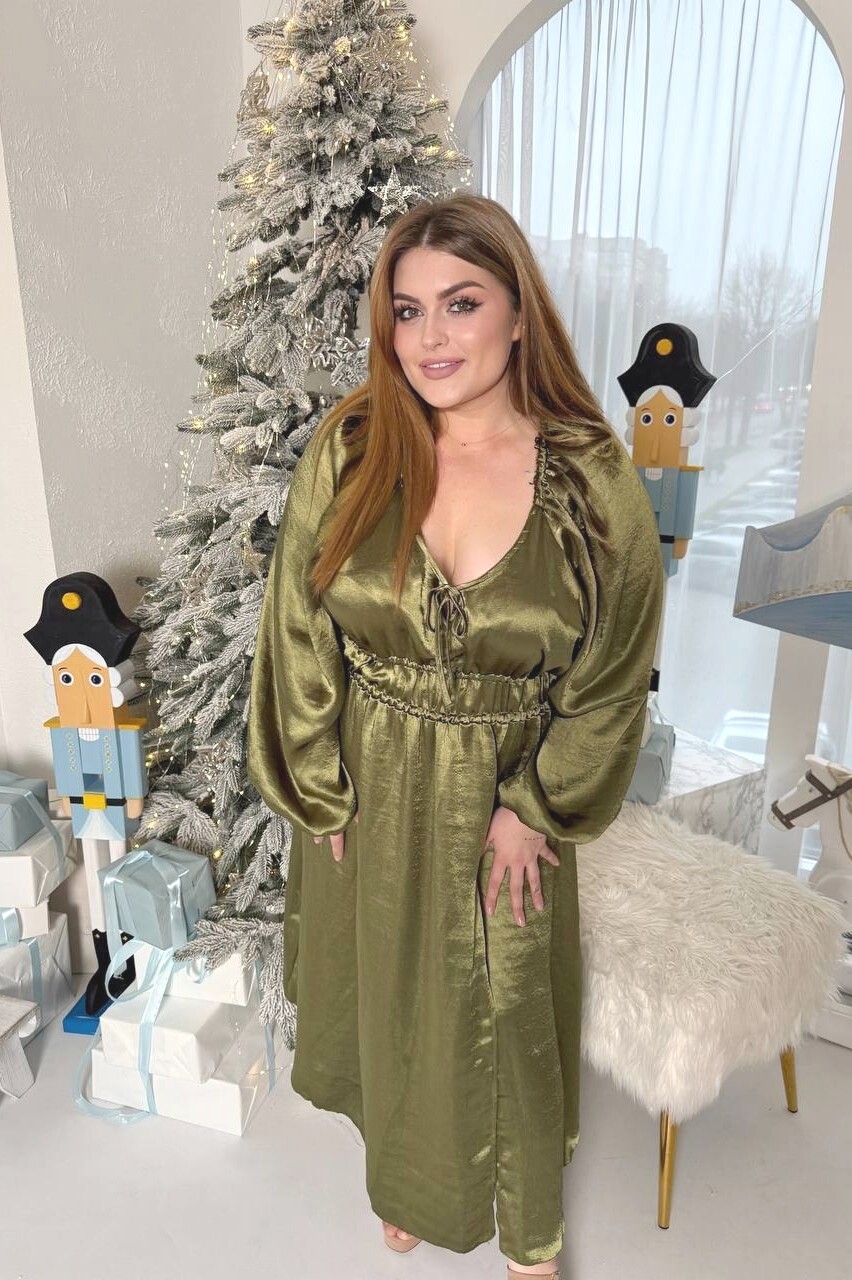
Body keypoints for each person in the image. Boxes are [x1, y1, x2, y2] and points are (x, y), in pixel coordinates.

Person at [246, 193, 664, 1278]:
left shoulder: (591, 477)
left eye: (461, 303)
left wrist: (536, 808)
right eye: (407, 310)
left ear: (519, 313)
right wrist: (318, 786)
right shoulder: (353, 450)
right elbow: (296, 628)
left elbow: (614, 671)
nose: (430, 336)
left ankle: (530, 1236)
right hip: (370, 782)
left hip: (507, 790)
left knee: (506, 1007)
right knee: (390, 997)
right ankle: (408, 1180)